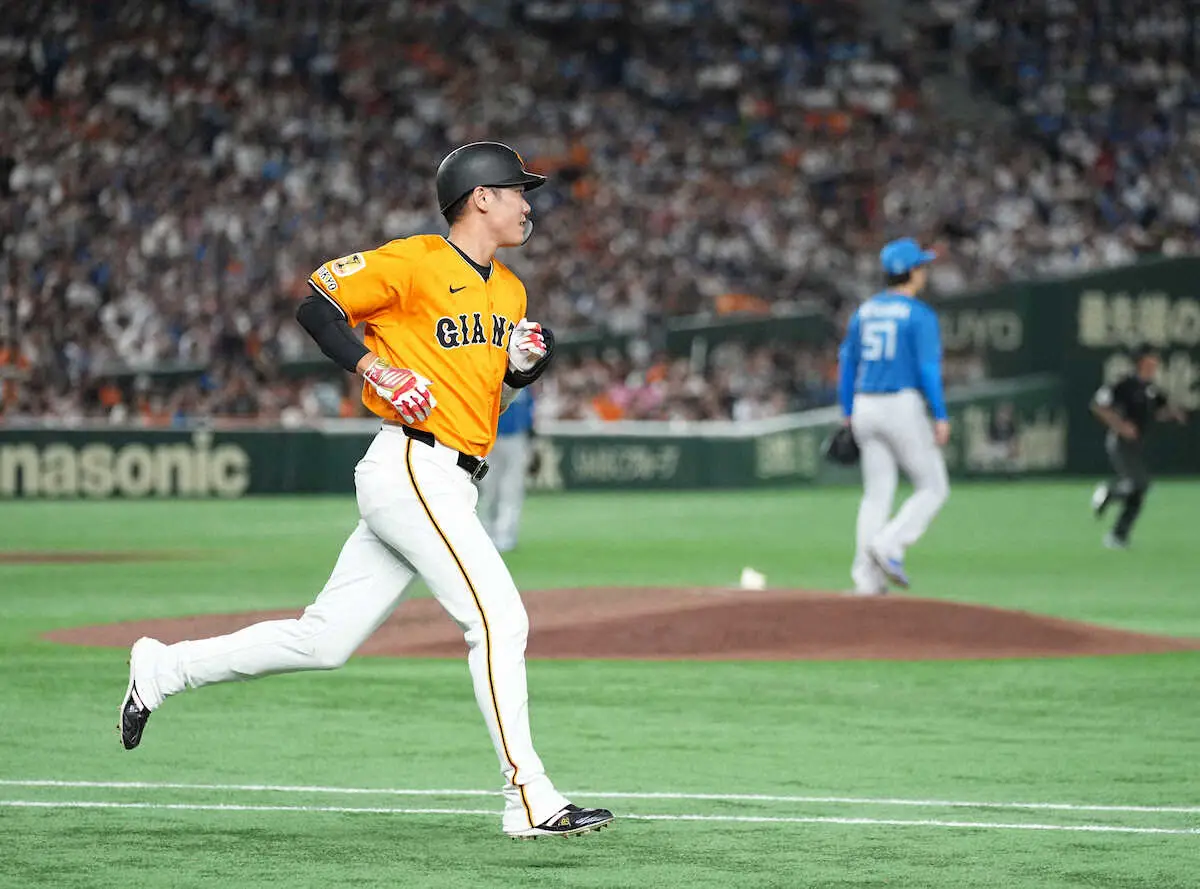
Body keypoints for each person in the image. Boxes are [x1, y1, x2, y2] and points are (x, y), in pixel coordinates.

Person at [117, 142, 614, 840]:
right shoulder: (415, 261)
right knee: (499, 620)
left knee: (323, 640)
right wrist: (374, 369)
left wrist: (522, 370)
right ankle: (529, 798)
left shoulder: (509, 291)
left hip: (453, 475)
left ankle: (163, 668)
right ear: (481, 198)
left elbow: (487, 403)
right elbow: (316, 308)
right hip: (411, 465)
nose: (528, 204)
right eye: (517, 191)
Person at [837, 237, 951, 595]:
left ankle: (866, 580)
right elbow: (928, 369)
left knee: (876, 494)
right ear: (911, 272)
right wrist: (940, 413)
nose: (925, 272)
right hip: (900, 404)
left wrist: (847, 410)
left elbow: (846, 363)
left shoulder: (865, 311)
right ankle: (890, 544)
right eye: (921, 266)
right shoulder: (919, 315)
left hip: (865, 404)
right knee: (933, 486)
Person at [1089, 345, 1188, 549]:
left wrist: (1173, 414)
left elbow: (1158, 411)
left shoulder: (1150, 389)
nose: (1155, 364)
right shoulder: (1125, 384)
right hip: (1120, 443)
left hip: (1135, 444)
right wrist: (1121, 425)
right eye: (1152, 360)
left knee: (1138, 491)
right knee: (1140, 484)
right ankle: (1108, 493)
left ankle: (1118, 535)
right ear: (1142, 361)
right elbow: (1098, 405)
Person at [477, 386, 536, 553]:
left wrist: (531, 441)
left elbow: (530, 413)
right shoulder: (494, 379)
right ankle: (490, 534)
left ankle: (504, 535)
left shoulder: (521, 384)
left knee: (509, 489)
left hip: (512, 438)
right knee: (491, 489)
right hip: (491, 437)